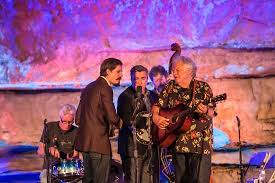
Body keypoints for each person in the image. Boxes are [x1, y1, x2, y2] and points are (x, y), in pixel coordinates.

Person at [152, 56, 216, 183]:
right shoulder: (170, 87)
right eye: (173, 70)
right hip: (177, 143)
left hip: (200, 144)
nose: (173, 73)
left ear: (188, 72)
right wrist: (155, 117)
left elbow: (212, 112)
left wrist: (205, 110)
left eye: (177, 70)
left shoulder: (203, 88)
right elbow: (157, 106)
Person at [75, 58, 123, 183]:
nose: (121, 75)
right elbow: (112, 117)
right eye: (118, 72)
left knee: (88, 180)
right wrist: (126, 125)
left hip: (86, 145)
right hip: (99, 144)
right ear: (108, 71)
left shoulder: (88, 87)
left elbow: (78, 119)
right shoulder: (105, 88)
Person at [117, 65, 158, 183]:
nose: (139, 82)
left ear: (147, 79)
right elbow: (129, 121)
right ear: (131, 79)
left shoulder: (154, 96)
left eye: (142, 78)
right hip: (132, 148)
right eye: (136, 79)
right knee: (133, 180)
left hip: (150, 148)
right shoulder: (125, 97)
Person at [37, 104, 79, 183]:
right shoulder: (49, 127)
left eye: (70, 122)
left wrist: (70, 155)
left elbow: (77, 153)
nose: (67, 125)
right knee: (44, 179)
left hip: (69, 168)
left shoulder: (76, 131)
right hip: (49, 168)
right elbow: (40, 150)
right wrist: (49, 150)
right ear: (60, 118)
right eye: (64, 121)